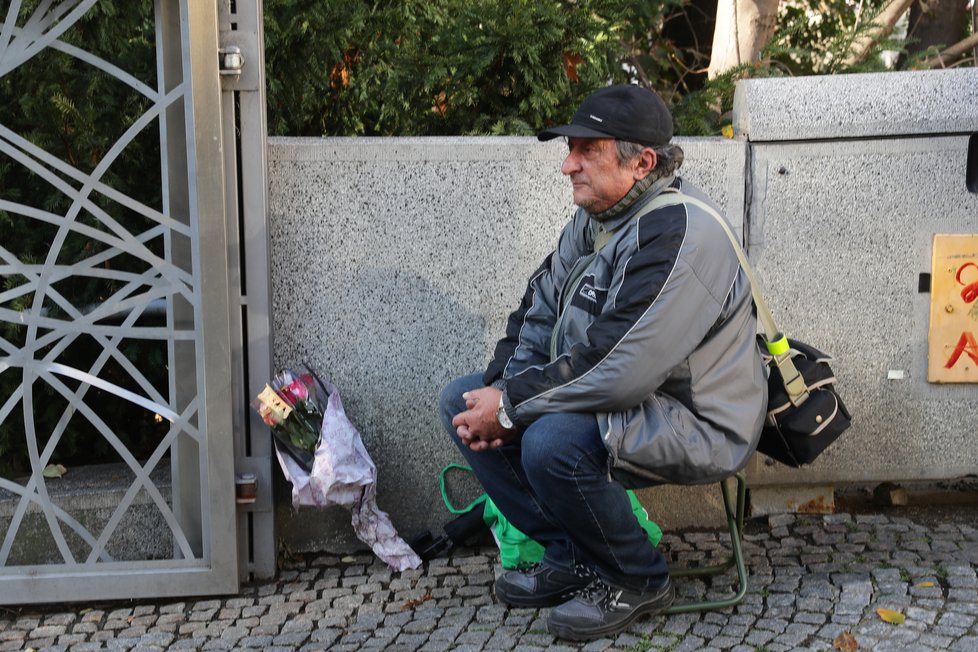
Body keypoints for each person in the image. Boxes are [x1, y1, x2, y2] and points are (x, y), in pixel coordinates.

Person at [439, 84, 767, 641]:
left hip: (698, 419)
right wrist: (503, 389)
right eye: (570, 148)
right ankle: (570, 552)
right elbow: (538, 311)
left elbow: (620, 365)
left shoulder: (681, 232)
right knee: (463, 398)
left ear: (641, 162)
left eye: (587, 150)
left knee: (551, 441)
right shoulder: (600, 217)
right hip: (633, 398)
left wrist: (513, 408)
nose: (568, 165)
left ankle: (637, 577)